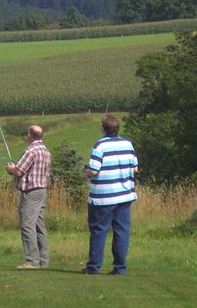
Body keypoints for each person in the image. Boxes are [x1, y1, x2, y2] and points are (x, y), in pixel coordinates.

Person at [81, 115, 139, 275]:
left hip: (103, 197)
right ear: (117, 128)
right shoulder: (128, 144)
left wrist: (86, 171)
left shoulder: (100, 146)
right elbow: (135, 169)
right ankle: (120, 268)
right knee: (122, 231)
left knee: (99, 230)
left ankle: (94, 266)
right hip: (125, 195)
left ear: (103, 128)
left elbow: (93, 170)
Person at [5, 125, 51, 270]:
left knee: (27, 225)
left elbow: (19, 171)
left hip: (31, 193)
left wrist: (11, 169)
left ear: (30, 135)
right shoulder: (45, 151)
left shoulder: (31, 151)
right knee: (39, 226)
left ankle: (32, 261)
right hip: (42, 191)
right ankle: (43, 261)